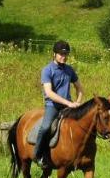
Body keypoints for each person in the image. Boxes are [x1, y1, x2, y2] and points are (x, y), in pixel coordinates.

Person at [34, 40, 83, 168]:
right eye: (61, 54)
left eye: (66, 54)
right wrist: (69, 103)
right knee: (45, 128)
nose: (64, 56)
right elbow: (49, 93)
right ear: (54, 54)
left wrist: (78, 102)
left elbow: (80, 88)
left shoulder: (69, 70)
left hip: (68, 106)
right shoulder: (47, 70)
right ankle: (38, 155)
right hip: (52, 106)